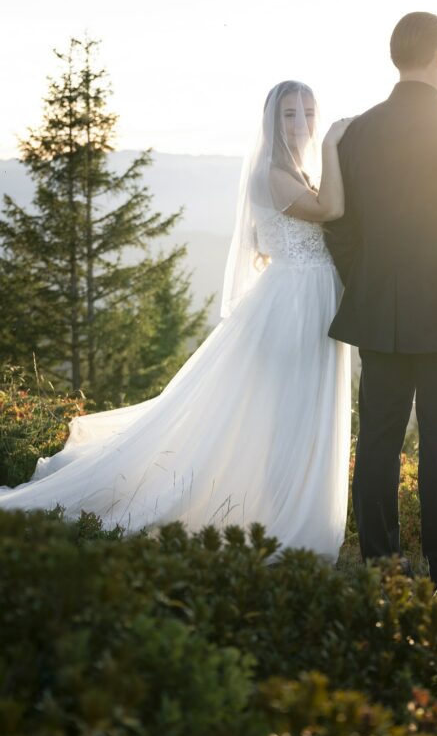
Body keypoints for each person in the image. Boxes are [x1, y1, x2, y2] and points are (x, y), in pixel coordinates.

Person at [0, 82, 354, 565]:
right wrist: (335, 144)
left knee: (302, 412)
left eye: (309, 114)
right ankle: (282, 515)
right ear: (272, 123)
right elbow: (330, 210)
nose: (302, 124)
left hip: (309, 298)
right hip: (292, 306)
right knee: (287, 413)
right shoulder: (271, 174)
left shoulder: (296, 172)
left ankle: (290, 508)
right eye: (290, 115)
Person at [324, 11, 437, 603]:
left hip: (380, 315)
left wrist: (370, 284)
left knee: (377, 445)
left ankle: (382, 571)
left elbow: (341, 230)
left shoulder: (357, 134)